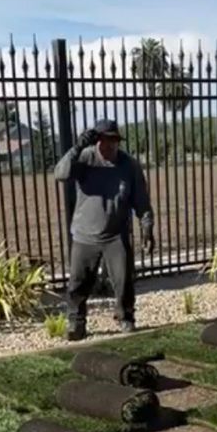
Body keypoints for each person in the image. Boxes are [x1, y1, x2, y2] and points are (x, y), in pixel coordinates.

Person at [54, 118, 154, 341]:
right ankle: (76, 322)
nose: (108, 146)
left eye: (113, 141)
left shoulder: (130, 165)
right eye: (103, 141)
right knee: (78, 283)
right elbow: (60, 174)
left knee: (124, 280)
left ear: (118, 141)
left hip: (116, 234)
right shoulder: (84, 158)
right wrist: (77, 147)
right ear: (96, 141)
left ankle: (126, 317)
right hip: (84, 235)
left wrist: (147, 226)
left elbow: (142, 200)